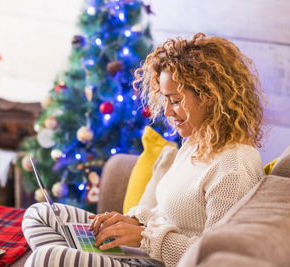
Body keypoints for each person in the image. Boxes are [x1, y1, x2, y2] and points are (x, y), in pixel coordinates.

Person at [22, 33, 265, 267]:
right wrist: (134, 220)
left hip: (159, 261)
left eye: (176, 100)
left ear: (209, 96)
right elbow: (171, 214)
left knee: (46, 259)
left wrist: (142, 237)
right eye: (165, 99)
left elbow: (214, 257)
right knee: (39, 215)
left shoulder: (233, 167)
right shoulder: (197, 141)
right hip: (145, 252)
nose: (168, 112)